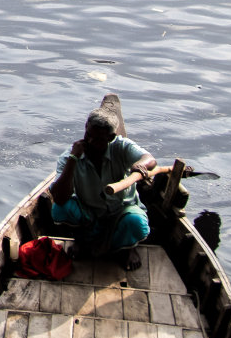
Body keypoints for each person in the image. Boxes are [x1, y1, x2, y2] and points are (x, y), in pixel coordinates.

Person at [49, 98, 157, 269]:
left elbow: (149, 159)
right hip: (89, 213)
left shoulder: (121, 146)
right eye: (88, 135)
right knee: (59, 209)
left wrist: (139, 166)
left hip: (121, 211)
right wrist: (73, 160)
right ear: (85, 129)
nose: (90, 142)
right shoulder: (70, 156)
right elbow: (60, 198)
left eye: (98, 139)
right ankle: (81, 242)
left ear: (110, 138)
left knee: (136, 223)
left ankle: (128, 248)